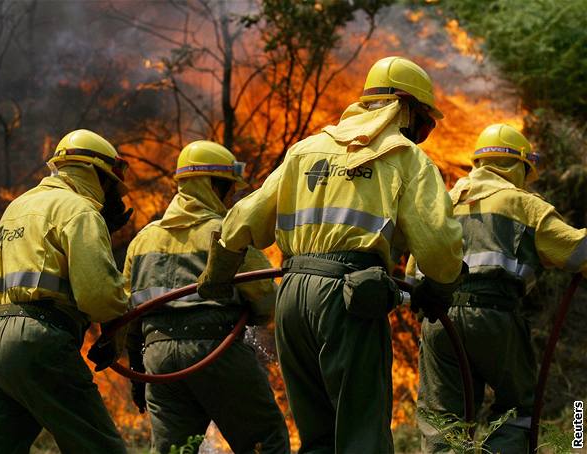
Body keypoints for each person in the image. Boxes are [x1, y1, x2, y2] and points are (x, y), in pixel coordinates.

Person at [197, 56, 465, 453]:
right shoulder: (405, 158)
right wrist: (441, 287)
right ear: (404, 107)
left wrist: (217, 274)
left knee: (317, 437)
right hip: (349, 301)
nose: (422, 132)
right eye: (424, 121)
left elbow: (243, 220)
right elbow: (439, 246)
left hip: (292, 297)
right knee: (361, 436)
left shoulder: (305, 150)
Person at [410, 124, 587, 453]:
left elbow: (412, 272)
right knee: (516, 409)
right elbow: (576, 251)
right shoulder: (522, 203)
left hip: (438, 321)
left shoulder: (443, 202)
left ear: (478, 163)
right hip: (494, 319)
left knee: (442, 418)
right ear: (519, 165)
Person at [0, 129, 133, 454]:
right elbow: (100, 296)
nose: (115, 196)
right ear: (96, 174)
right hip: (34, 340)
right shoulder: (80, 211)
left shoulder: (16, 207)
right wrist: (118, 331)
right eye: (113, 185)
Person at [124, 140, 290, 453]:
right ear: (214, 186)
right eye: (230, 188)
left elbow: (126, 311)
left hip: (157, 360)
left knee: (175, 450)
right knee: (265, 441)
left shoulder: (142, 239)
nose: (232, 198)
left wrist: (138, 373)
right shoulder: (227, 231)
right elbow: (265, 298)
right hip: (215, 350)